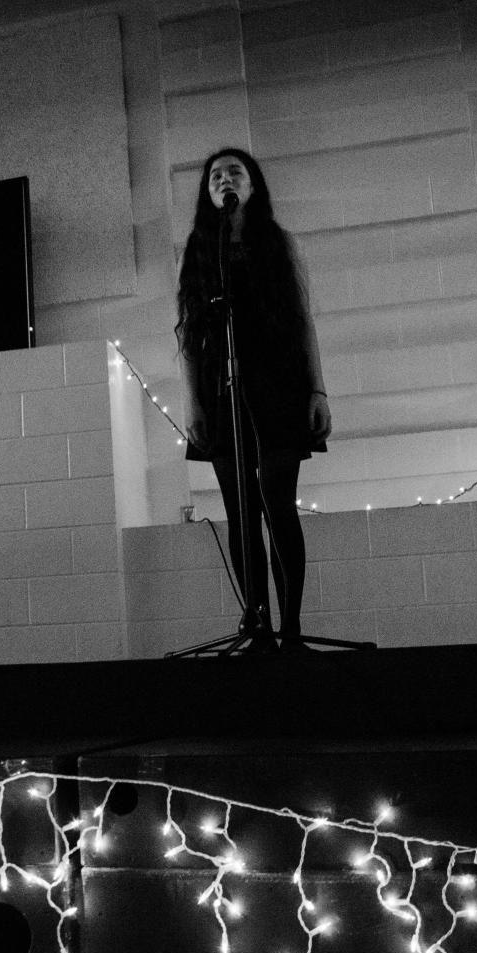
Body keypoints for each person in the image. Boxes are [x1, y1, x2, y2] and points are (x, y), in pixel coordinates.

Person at [177, 148, 331, 654]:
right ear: (207, 191)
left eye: (235, 172)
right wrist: (193, 404)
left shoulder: (279, 243)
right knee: (241, 514)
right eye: (216, 175)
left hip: (280, 385)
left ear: (253, 185)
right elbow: (186, 331)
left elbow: (303, 318)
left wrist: (317, 389)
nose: (225, 179)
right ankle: (258, 628)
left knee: (278, 506)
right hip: (220, 393)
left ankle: (291, 628)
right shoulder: (199, 247)